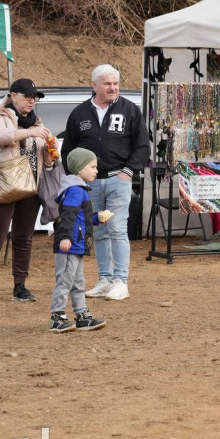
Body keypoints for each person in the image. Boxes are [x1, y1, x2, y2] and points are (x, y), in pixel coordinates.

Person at [62, 64, 150, 301]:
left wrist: (128, 171)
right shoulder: (79, 113)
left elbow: (143, 145)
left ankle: (121, 281)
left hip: (117, 180)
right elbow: (68, 150)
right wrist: (74, 178)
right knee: (98, 230)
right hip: (90, 183)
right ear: (94, 85)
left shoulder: (130, 110)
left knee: (117, 229)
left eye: (116, 83)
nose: (113, 88)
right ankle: (105, 279)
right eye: (107, 84)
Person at [0, 79, 54, 304]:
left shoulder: (36, 121)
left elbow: (44, 161)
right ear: (13, 95)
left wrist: (49, 151)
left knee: (24, 237)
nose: (31, 101)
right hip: (2, 180)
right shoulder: (0, 116)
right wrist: (30, 133)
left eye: (34, 97)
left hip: (30, 184)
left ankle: (20, 286)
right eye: (27, 96)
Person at [49, 148, 110, 333]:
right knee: (65, 281)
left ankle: (81, 314)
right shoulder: (75, 189)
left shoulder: (78, 189)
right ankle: (57, 317)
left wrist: (96, 218)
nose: (96, 170)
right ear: (79, 169)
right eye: (92, 166)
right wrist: (66, 237)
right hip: (70, 245)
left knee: (77, 281)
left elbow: (79, 217)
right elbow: (68, 215)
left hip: (76, 244)